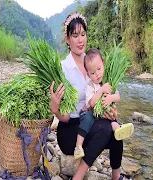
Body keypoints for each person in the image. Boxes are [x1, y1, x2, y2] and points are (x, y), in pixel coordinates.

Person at [49, 12, 129, 180]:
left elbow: (105, 96)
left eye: (83, 34)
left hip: (93, 123)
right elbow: (64, 118)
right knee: (107, 128)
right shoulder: (63, 69)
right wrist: (55, 110)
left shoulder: (94, 62)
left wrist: (110, 112)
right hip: (71, 131)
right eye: (75, 35)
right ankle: (78, 176)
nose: (80, 40)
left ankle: (117, 177)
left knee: (116, 131)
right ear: (67, 39)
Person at [74, 48, 134, 159]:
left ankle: (119, 130)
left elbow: (118, 96)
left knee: (112, 120)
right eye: (92, 73)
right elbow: (91, 103)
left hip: (102, 116)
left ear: (104, 64)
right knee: (87, 118)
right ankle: (78, 146)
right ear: (88, 74)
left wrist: (111, 98)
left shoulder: (108, 82)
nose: (97, 74)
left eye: (99, 69)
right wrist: (101, 91)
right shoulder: (90, 86)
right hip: (90, 114)